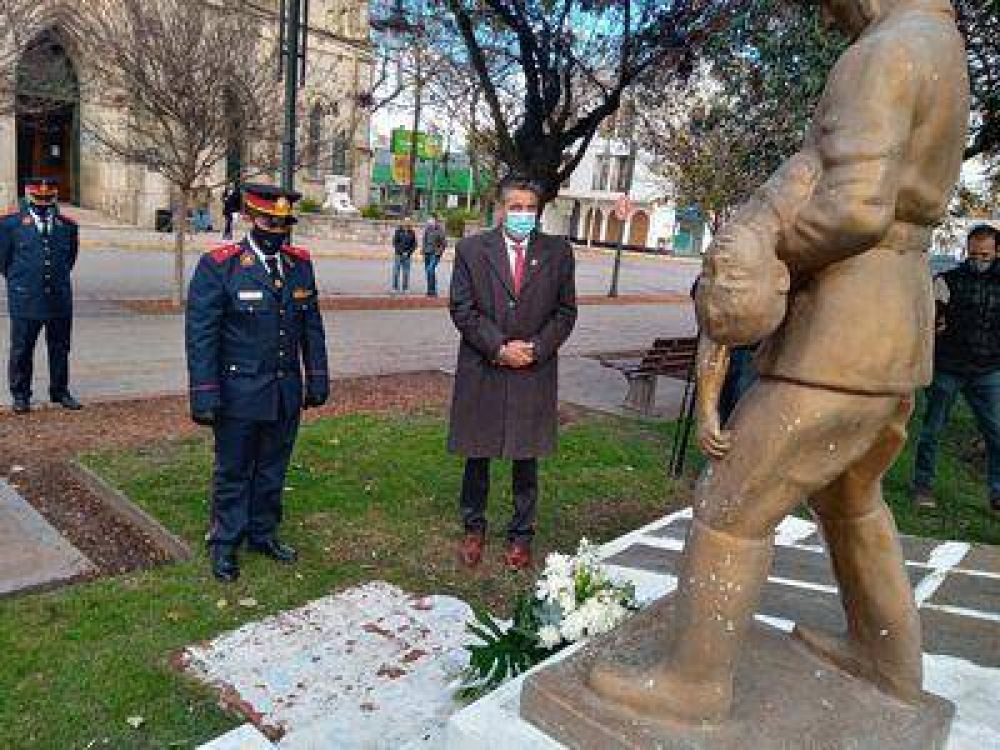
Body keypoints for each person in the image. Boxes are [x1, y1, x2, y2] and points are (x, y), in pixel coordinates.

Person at [590, 0, 968, 721]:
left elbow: (858, 206)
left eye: (829, 3)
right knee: (851, 499)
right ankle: (889, 662)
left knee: (730, 504)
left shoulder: (884, 50)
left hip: (841, 333)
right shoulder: (943, 46)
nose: (829, 19)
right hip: (896, 329)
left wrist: (757, 253)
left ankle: (692, 684)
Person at [185, 183, 329, 582]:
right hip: (238, 391)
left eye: (284, 223)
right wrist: (204, 394)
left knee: (272, 468)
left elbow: (311, 327)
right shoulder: (221, 265)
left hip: (284, 390)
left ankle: (262, 532)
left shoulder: (299, 264)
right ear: (251, 217)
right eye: (269, 221)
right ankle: (225, 541)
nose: (277, 229)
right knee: (233, 469)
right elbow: (201, 336)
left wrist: (316, 378)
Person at [448, 175, 577, 571]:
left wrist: (536, 348)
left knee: (526, 459)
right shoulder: (472, 249)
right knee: (478, 454)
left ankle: (521, 536)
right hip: (484, 365)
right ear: (501, 209)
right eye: (515, 207)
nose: (523, 215)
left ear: (538, 212)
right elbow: (462, 308)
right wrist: (499, 348)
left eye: (530, 209)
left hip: (533, 370)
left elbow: (565, 312)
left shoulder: (557, 251)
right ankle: (474, 527)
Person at [913, 224, 1000, 513]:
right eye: (974, 254)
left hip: (988, 369)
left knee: (996, 432)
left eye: (985, 255)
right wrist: (936, 322)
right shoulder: (948, 281)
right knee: (932, 429)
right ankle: (922, 485)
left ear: (996, 252)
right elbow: (930, 319)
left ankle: (997, 494)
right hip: (949, 367)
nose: (978, 260)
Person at [0, 177, 82, 414]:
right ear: (28, 196)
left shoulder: (67, 226)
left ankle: (60, 390)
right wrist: (22, 283)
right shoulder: (9, 225)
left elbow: (69, 260)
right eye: (39, 199)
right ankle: (21, 394)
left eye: (48, 199)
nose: (44, 203)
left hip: (58, 298)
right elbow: (4, 262)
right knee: (22, 348)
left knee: (60, 347)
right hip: (26, 298)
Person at [422, 214, 447, 296]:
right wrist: (423, 249)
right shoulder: (427, 229)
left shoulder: (440, 230)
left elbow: (444, 243)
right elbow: (424, 240)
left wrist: (438, 253)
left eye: (431, 219)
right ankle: (430, 291)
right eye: (429, 219)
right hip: (427, 253)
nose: (429, 221)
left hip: (435, 254)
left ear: (435, 220)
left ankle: (434, 291)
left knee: (430, 270)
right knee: (428, 272)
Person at [391, 218, 416, 293]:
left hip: (407, 256)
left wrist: (408, 252)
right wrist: (401, 252)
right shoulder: (398, 231)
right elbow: (395, 243)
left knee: (406, 272)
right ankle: (395, 288)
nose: (406, 223)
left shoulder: (412, 232)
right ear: (403, 222)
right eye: (405, 221)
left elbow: (414, 244)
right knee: (396, 272)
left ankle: (405, 288)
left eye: (408, 221)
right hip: (398, 255)